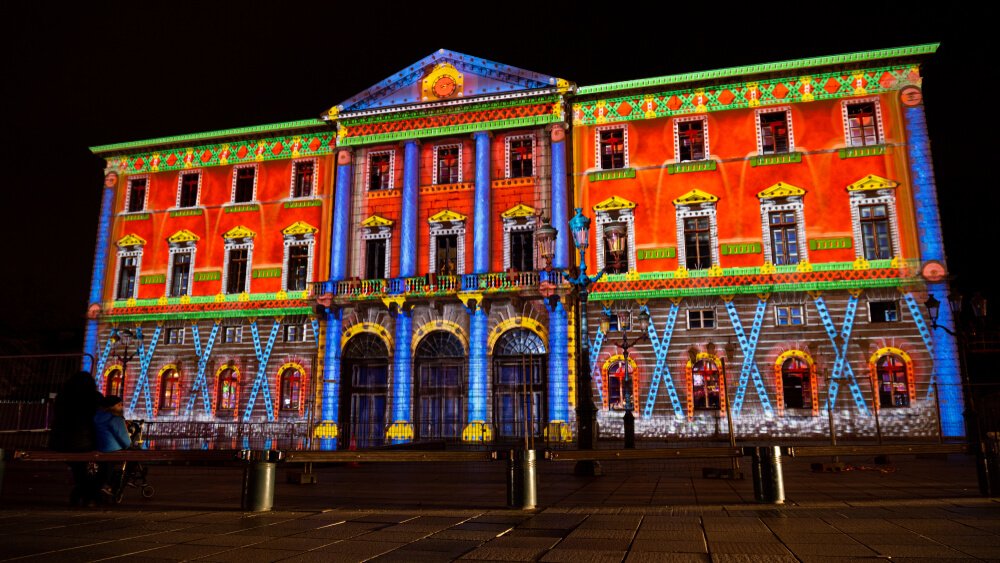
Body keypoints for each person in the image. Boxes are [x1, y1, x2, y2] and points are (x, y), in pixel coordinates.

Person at [49, 371, 101, 506]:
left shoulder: (62, 397)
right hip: (83, 443)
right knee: (105, 463)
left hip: (59, 442)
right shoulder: (92, 398)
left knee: (79, 467)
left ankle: (85, 493)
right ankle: (90, 493)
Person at [93, 395, 132, 497]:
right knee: (132, 460)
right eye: (119, 405)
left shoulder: (96, 416)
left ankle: (102, 484)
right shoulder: (115, 419)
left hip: (97, 448)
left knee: (105, 467)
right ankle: (114, 486)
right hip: (111, 450)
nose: (121, 407)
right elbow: (126, 442)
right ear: (111, 407)